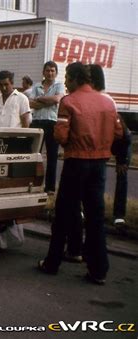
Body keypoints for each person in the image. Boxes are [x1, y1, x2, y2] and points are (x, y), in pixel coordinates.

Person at [38, 62, 123, 285]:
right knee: (96, 218)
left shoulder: (69, 101)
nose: (65, 82)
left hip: (76, 162)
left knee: (64, 214)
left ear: (75, 78)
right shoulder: (107, 102)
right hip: (100, 163)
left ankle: (52, 262)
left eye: (67, 78)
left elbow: (61, 136)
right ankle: (98, 270)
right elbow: (119, 132)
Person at [88, 64, 132, 228]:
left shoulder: (106, 100)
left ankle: (119, 215)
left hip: (120, 142)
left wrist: (121, 160)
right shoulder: (87, 97)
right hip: (102, 143)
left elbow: (123, 134)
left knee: (122, 175)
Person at [29, 61, 65, 194]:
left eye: (53, 71)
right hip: (37, 123)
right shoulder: (37, 86)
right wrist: (47, 101)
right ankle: (32, 184)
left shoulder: (59, 85)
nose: (50, 73)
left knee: (52, 157)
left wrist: (40, 98)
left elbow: (57, 100)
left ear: (56, 73)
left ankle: (49, 188)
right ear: (43, 72)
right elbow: (30, 103)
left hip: (52, 123)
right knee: (34, 155)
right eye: (48, 70)